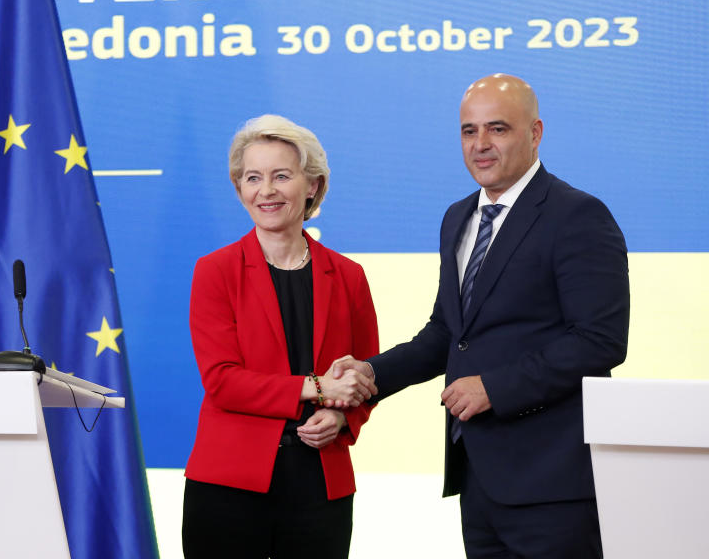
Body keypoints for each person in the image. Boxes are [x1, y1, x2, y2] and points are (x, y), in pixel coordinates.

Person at [330, 74, 629, 558]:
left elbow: (600, 340)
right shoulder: (458, 217)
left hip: (552, 484)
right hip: (479, 478)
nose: (481, 145)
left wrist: (494, 387)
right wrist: (371, 372)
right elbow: (448, 332)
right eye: (469, 131)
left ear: (535, 134)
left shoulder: (577, 215)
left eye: (498, 129)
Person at [182, 114, 380, 559]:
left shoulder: (349, 276)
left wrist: (345, 419)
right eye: (252, 178)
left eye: (281, 176)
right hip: (228, 483)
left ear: (312, 185)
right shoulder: (214, 271)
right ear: (239, 189)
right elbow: (222, 381)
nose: (265, 191)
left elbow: (367, 376)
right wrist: (317, 388)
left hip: (320, 481)